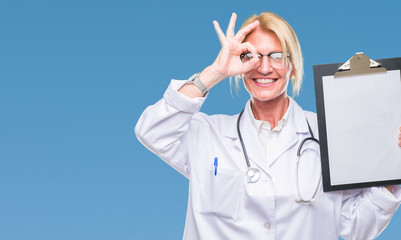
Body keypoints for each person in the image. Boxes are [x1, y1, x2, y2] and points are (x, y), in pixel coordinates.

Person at [135, 12, 401, 240]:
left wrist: (392, 166)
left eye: (276, 56)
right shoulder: (207, 135)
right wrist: (215, 71)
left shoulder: (330, 134)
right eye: (251, 56)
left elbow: (355, 226)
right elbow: (152, 130)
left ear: (292, 66)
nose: (263, 67)